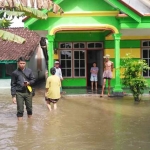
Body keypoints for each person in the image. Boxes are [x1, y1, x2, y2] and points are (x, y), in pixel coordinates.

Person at [11, 57, 36, 121]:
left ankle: (30, 123)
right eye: (21, 63)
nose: (22, 64)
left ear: (25, 63)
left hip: (28, 92)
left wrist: (29, 83)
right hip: (19, 93)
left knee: (29, 108)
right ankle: (20, 125)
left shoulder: (29, 71)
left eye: (23, 63)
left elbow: (33, 80)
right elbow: (13, 84)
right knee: (20, 110)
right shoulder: (15, 73)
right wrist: (13, 96)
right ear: (18, 63)